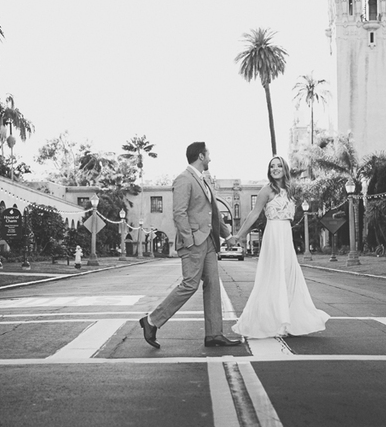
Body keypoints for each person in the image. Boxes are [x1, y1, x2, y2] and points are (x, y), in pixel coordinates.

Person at [139, 142, 242, 348]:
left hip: (210, 242)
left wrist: (227, 236)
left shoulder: (205, 181)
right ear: (201, 156)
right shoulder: (184, 179)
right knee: (189, 285)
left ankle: (214, 334)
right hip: (194, 242)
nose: (211, 158)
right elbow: (179, 212)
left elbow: (213, 214)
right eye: (209, 154)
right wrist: (189, 240)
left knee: (213, 285)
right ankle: (151, 321)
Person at [232, 156, 329, 339]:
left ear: (285, 169)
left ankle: (289, 320)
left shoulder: (290, 191)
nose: (275, 169)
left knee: (288, 276)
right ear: (269, 171)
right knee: (273, 277)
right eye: (272, 166)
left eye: (278, 166)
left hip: (286, 236)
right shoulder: (266, 190)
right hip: (273, 236)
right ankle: (272, 322)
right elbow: (254, 214)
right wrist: (240, 235)